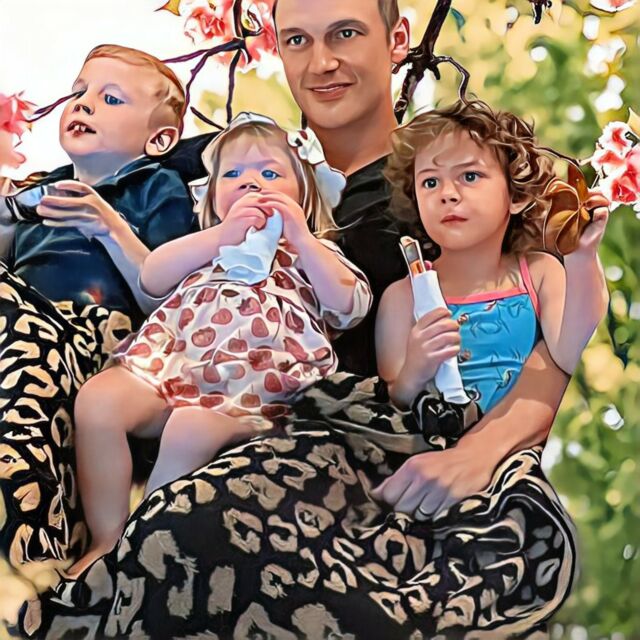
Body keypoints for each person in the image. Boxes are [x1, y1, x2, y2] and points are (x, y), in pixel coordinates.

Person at [17, 0, 603, 636]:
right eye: (297, 39)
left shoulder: (437, 177)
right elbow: (134, 233)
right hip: (158, 389)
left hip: (307, 454)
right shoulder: (216, 159)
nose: (321, 62)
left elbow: (545, 344)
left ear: (397, 39)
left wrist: (479, 451)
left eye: (344, 33)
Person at [68, 113, 371, 575]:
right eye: (232, 174)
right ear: (210, 199)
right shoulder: (207, 248)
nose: (250, 182)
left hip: (256, 395)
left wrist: (301, 237)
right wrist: (219, 236)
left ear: (305, 197)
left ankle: (139, 551)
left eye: (270, 173)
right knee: (98, 401)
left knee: (189, 429)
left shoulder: (314, 254)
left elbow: (349, 307)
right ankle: (106, 537)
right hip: (170, 370)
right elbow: (152, 277)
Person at [0, 44, 198, 565]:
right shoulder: (42, 191)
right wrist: (10, 214)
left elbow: (168, 298)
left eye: (110, 99)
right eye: (79, 92)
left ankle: (35, 550)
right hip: (23, 322)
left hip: (102, 334)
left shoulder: (155, 187)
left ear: (159, 139)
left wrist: (110, 228)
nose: (83, 104)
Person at [374, 99, 609, 513]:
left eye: (470, 176)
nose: (447, 194)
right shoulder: (402, 296)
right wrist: (416, 367)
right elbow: (393, 401)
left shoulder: (538, 272)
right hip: (429, 463)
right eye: (430, 182)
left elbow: (572, 350)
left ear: (515, 196)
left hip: (520, 466)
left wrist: (581, 256)